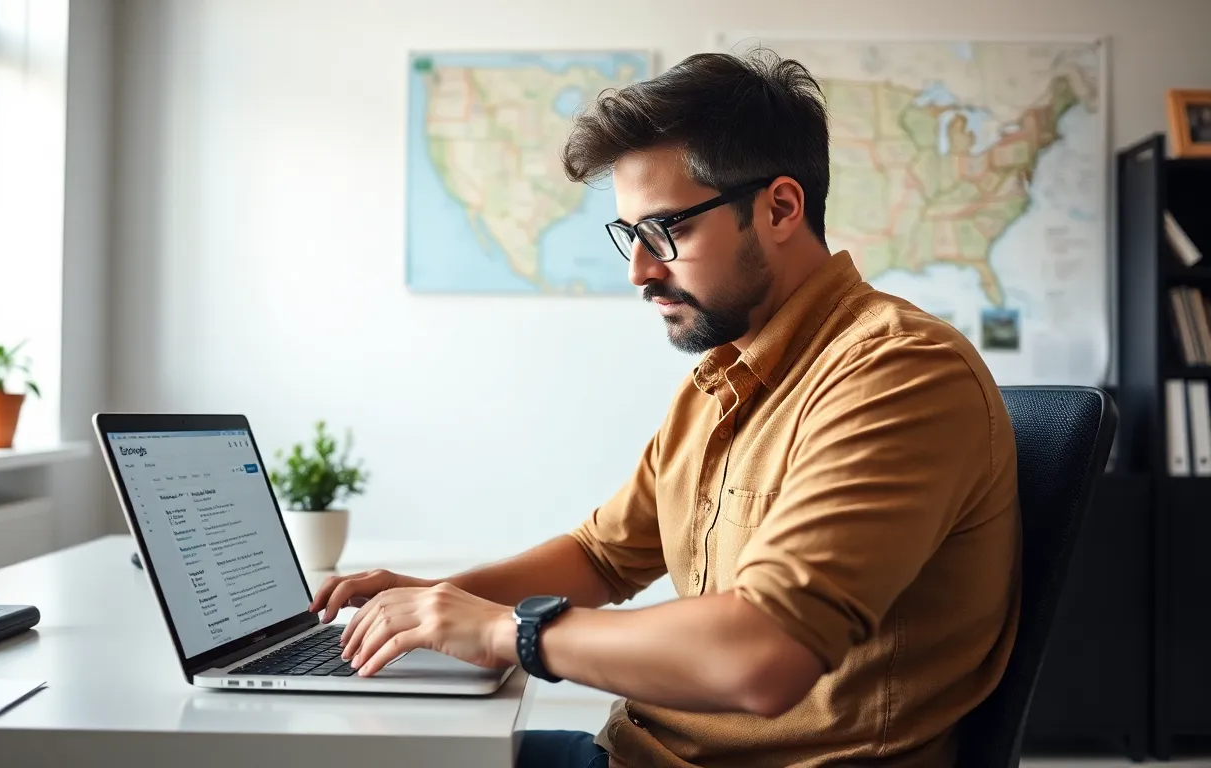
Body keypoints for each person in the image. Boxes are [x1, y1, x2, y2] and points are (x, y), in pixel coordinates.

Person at [310, 48, 1021, 768]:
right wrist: (428, 604)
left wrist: (508, 632)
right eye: (630, 236)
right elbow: (600, 557)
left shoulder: (897, 374)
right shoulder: (722, 379)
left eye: (665, 232)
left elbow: (762, 655)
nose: (639, 272)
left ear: (779, 208)